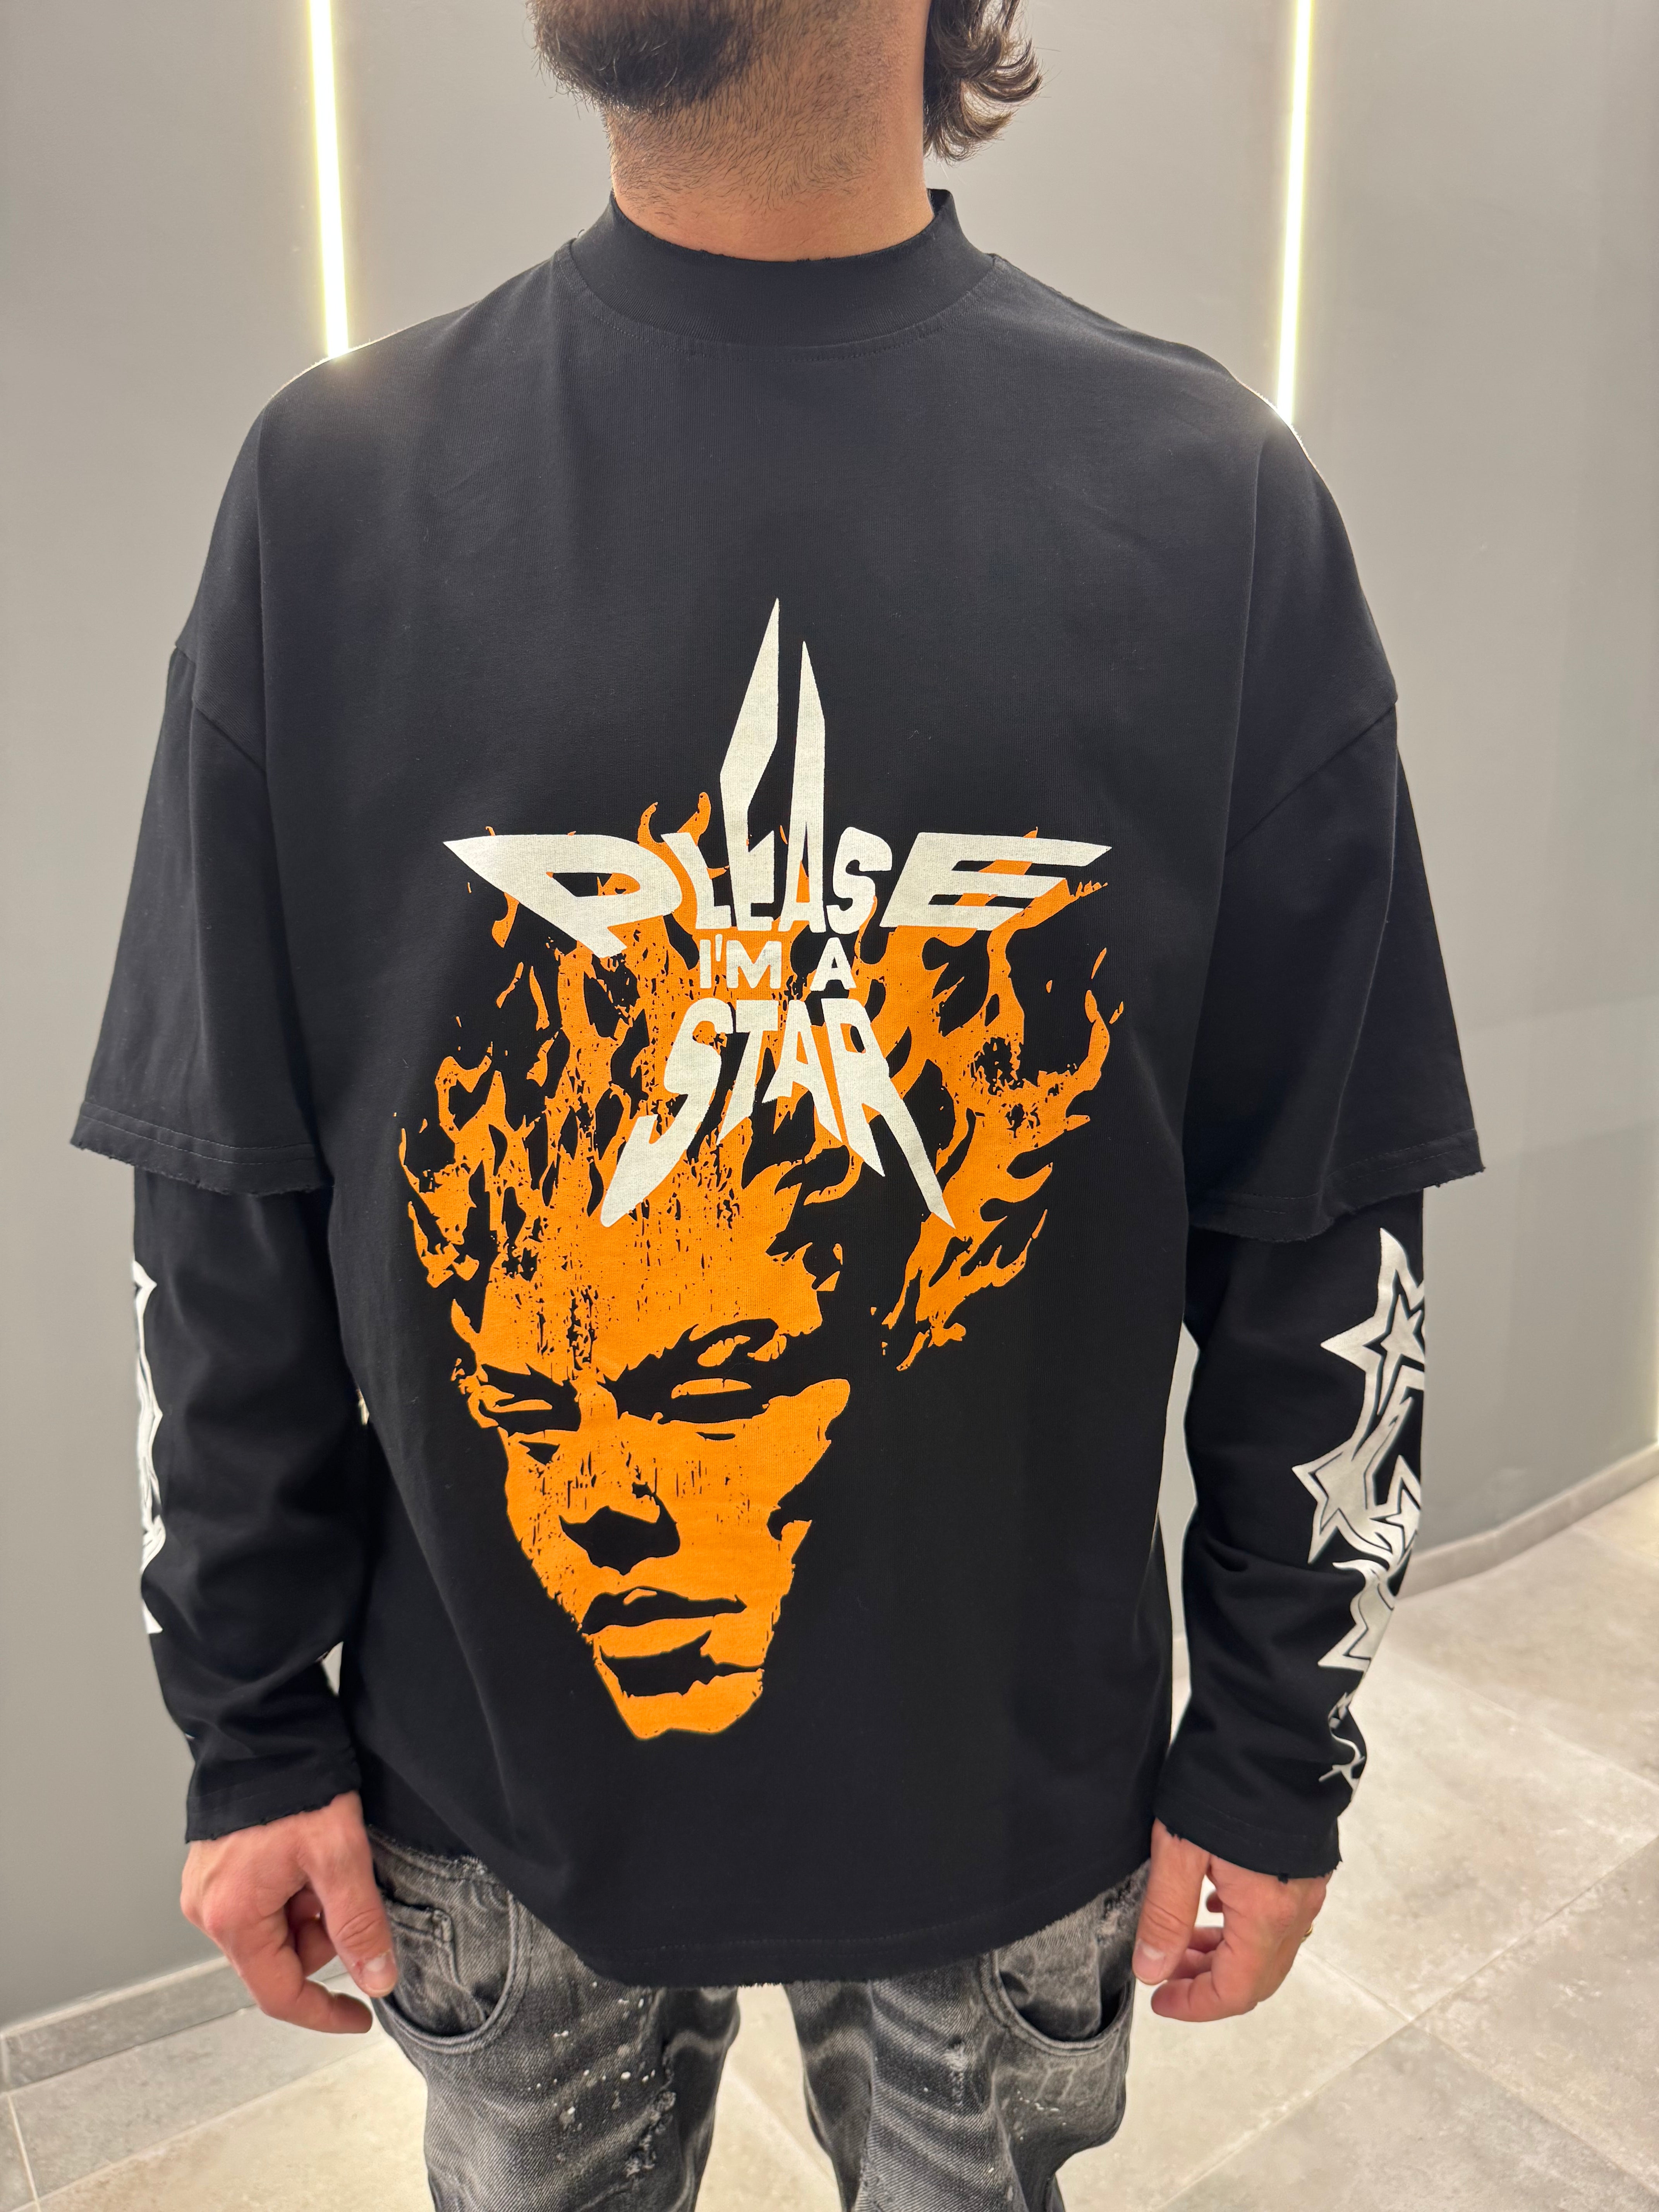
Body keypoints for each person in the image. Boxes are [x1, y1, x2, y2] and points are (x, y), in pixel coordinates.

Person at [75, 0, 1480, 2204]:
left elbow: (1327, 1196)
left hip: (1009, 1818)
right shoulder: (335, 490)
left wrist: (1278, 1736)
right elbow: (220, 1172)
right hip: (487, 1811)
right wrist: (247, 1721)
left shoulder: (1209, 501)